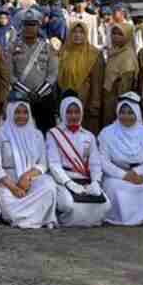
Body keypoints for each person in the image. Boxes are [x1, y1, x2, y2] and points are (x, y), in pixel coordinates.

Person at [98, 93, 143, 226]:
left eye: (130, 112)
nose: (126, 116)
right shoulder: (107, 133)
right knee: (114, 187)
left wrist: (137, 172)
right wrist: (124, 175)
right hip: (116, 174)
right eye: (122, 112)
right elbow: (103, 161)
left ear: (137, 113)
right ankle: (121, 218)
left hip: (142, 172)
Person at [0, 98, 58, 228]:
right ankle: (37, 217)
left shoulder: (37, 134)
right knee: (9, 208)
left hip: (31, 178)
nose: (21, 116)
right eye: (17, 112)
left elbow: (43, 163)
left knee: (49, 186)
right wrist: (14, 187)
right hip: (8, 180)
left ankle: (31, 217)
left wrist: (27, 176)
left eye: (25, 112)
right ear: (10, 113)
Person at [46, 96, 110, 227]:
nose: (73, 116)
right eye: (69, 112)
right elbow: (54, 164)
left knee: (105, 205)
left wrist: (96, 182)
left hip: (84, 179)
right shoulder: (53, 134)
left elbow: (95, 164)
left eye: (77, 112)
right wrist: (69, 183)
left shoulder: (89, 136)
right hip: (64, 180)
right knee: (68, 204)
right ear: (63, 112)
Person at [8, 9, 60, 132]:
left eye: (33, 24)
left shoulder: (47, 47)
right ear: (22, 26)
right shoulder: (13, 47)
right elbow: (9, 74)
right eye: (26, 24)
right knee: (20, 134)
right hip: (20, 98)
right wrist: (26, 92)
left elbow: (53, 73)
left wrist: (39, 93)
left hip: (44, 98)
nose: (29, 28)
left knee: (46, 134)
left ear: (38, 26)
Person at [58, 22, 104, 134]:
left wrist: (95, 103)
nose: (77, 35)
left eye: (81, 32)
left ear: (86, 34)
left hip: (86, 101)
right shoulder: (64, 51)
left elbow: (97, 81)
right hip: (66, 99)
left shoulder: (94, 54)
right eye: (74, 31)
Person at [100, 23, 139, 128]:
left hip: (118, 102)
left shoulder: (128, 56)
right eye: (114, 33)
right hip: (108, 98)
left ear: (128, 36)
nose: (116, 36)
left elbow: (126, 86)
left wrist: (119, 105)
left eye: (120, 34)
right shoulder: (113, 52)